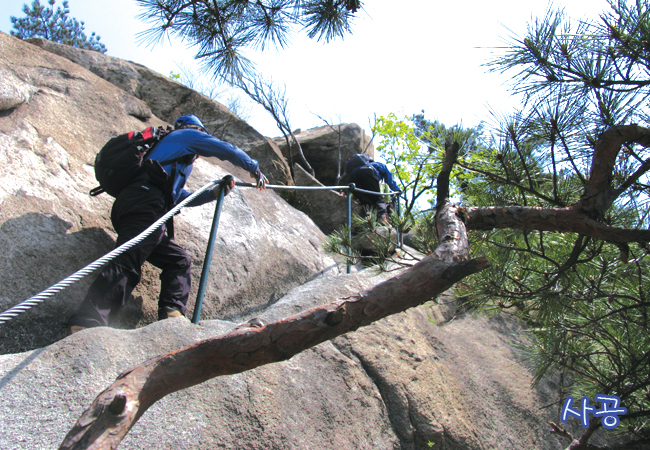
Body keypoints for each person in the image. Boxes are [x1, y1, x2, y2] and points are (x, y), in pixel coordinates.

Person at [68, 114, 268, 333]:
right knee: (128, 259)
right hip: (144, 202)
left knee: (178, 261)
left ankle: (171, 315)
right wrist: (253, 167)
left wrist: (213, 193)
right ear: (198, 131)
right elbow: (225, 148)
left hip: (139, 205)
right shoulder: (187, 136)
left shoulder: (170, 157)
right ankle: (88, 321)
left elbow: (178, 196)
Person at [343, 154, 400, 222]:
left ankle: (367, 218)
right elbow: (389, 179)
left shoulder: (354, 169)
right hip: (368, 172)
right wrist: (397, 189)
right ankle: (382, 217)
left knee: (366, 201)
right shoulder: (377, 164)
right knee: (377, 198)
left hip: (352, 178)